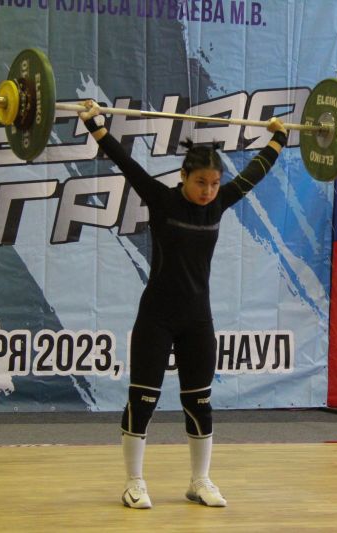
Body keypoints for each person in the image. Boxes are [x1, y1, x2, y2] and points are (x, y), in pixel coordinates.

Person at [79, 100, 288, 509]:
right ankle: (134, 482)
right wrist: (95, 124)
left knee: (200, 401)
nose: (208, 190)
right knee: (143, 401)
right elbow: (126, 164)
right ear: (183, 177)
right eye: (200, 182)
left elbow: (254, 173)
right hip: (156, 317)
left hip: (197, 319)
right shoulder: (162, 199)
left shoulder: (219, 203)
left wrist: (278, 138)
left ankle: (200, 481)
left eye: (214, 183)